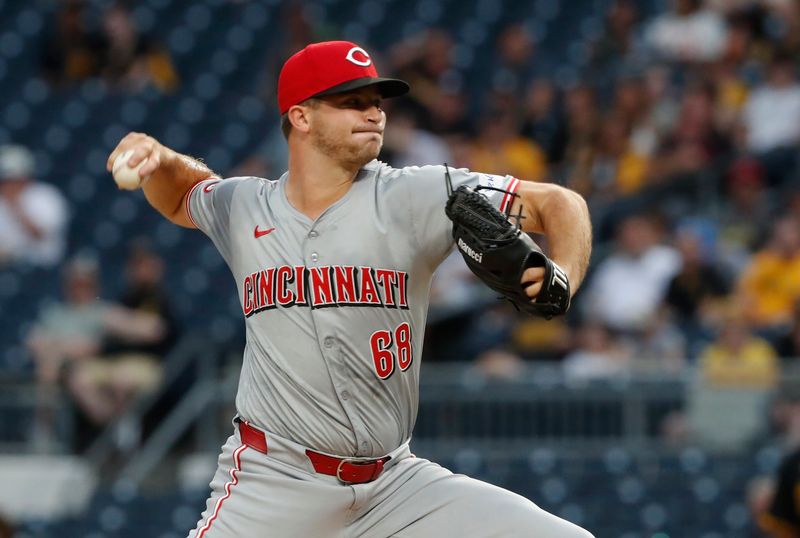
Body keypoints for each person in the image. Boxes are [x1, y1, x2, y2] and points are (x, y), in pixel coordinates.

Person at [107, 40, 594, 538]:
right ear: (301, 116)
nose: (374, 114)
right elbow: (186, 193)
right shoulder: (245, 207)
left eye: (377, 102)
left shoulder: (417, 193)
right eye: (352, 102)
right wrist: (159, 155)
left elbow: (560, 202)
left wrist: (565, 275)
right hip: (275, 485)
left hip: (396, 487)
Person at [0, 144, 69, 267]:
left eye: (14, 178)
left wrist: (14, 206)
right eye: (6, 179)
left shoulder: (46, 196)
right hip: (7, 268)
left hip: (41, 269)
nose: (10, 184)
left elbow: (39, 235)